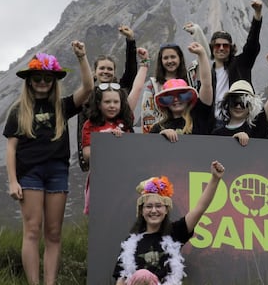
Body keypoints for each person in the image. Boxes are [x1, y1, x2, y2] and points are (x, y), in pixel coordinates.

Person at [3, 44, 93, 285]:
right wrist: (12, 181)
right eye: (37, 79)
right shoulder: (18, 110)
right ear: (30, 82)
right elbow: (11, 148)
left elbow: (87, 89)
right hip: (29, 173)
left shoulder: (62, 107)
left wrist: (81, 57)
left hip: (57, 172)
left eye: (47, 79)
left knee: (54, 232)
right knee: (32, 229)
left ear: (53, 82)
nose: (42, 83)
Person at [113, 160, 226, 285]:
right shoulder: (131, 243)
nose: (154, 211)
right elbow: (121, 280)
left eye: (159, 206)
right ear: (141, 211)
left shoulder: (174, 233)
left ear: (166, 209)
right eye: (149, 206)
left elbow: (200, 208)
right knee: (143, 276)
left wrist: (215, 179)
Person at [77, 24, 144, 170]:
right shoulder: (87, 95)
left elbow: (131, 71)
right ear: (94, 72)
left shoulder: (121, 89)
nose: (106, 71)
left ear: (114, 72)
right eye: (102, 68)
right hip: (97, 158)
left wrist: (131, 41)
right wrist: (84, 161)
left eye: (110, 69)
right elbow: (83, 126)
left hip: (123, 155)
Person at [80, 81, 138, 214]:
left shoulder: (125, 123)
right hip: (101, 179)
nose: (112, 106)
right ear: (99, 104)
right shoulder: (90, 125)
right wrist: (105, 140)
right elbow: (87, 155)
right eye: (107, 102)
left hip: (125, 178)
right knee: (102, 215)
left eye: (116, 102)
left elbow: (132, 152)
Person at [209, 0, 264, 127]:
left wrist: (257, 15)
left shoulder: (241, 64)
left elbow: (252, 45)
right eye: (217, 46)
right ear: (212, 48)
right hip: (214, 124)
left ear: (231, 48)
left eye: (225, 46)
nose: (221, 48)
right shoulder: (208, 72)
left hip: (239, 120)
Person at [149, 42, 213, 140]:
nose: (176, 99)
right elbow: (150, 150)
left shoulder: (199, 115)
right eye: (169, 97)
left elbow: (207, 85)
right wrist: (161, 136)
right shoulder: (157, 128)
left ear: (189, 97)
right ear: (164, 102)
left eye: (182, 95)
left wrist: (202, 54)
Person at [140, 41, 194, 133]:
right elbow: (147, 114)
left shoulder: (189, 80)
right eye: (165, 58)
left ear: (180, 58)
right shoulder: (153, 84)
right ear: (161, 61)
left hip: (188, 129)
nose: (169, 61)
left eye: (173, 57)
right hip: (160, 133)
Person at [211, 79, 268, 146]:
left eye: (243, 104)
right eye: (234, 102)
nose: (238, 107)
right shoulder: (217, 133)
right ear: (227, 104)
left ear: (250, 106)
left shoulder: (255, 129)